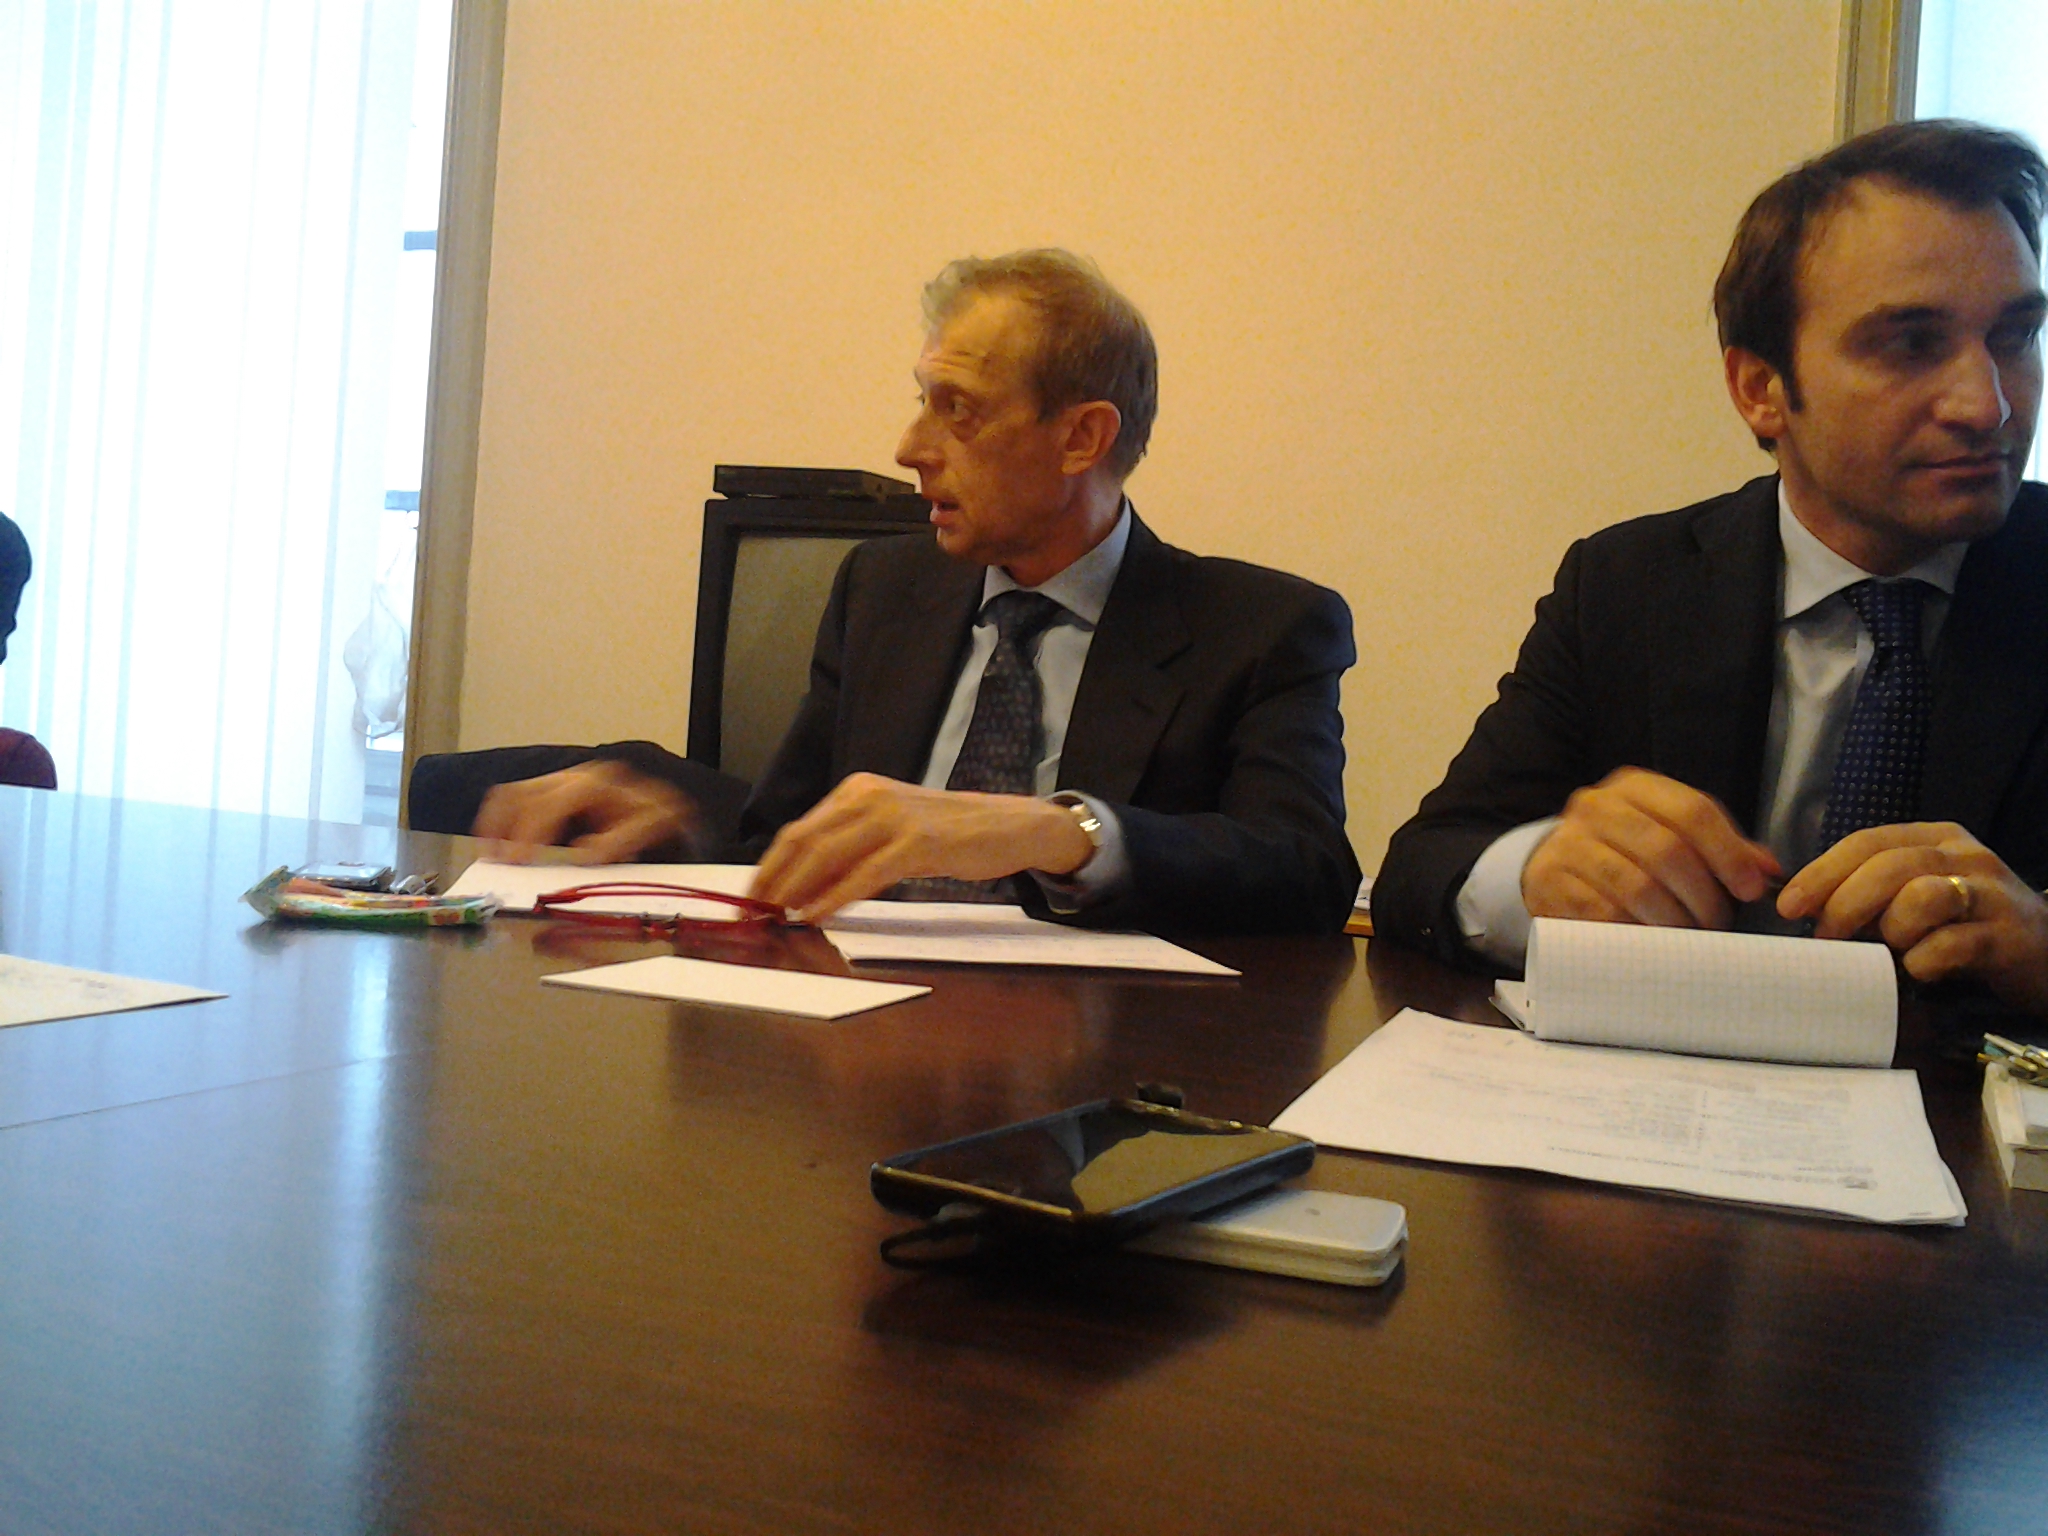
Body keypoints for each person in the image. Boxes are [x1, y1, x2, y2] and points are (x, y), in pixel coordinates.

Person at [1374, 119, 2048, 1016]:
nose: (1986, 404)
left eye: (2016, 335)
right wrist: (1536, 874)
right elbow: (1423, 870)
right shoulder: (1628, 584)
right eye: (1911, 344)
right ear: (1760, 390)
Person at [476, 250, 1360, 933]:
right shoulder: (884, 589)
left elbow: (1308, 873)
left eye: (957, 409)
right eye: (922, 400)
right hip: (853, 1037)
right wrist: (673, 827)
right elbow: (782, 841)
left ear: (1081, 439)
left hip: (1093, 1061)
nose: (909, 448)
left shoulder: (1260, 629)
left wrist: (1053, 831)